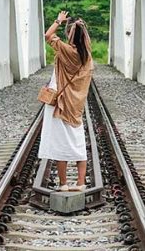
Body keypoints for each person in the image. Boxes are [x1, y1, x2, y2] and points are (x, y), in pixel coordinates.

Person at [37, 10, 95, 191]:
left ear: (70, 35)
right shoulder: (87, 58)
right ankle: (80, 183)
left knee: (60, 143)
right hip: (76, 106)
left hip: (60, 104)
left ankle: (63, 184)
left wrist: (58, 20)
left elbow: (48, 35)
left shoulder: (66, 50)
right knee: (78, 143)